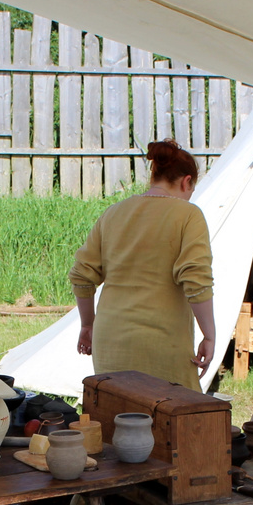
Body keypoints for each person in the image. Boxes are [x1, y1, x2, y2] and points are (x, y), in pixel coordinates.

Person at [69, 140, 218, 388]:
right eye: (192, 189)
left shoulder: (113, 213)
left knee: (117, 416)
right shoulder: (188, 214)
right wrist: (209, 335)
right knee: (171, 418)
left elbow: (82, 276)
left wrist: (87, 324)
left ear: (154, 175)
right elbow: (197, 279)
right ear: (186, 181)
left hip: (110, 341)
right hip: (161, 342)